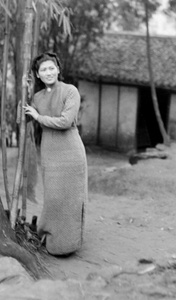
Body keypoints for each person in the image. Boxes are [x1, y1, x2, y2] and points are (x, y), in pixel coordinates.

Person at [24, 52, 88, 256]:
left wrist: (38, 117)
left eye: (52, 68)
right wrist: (24, 90)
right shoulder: (37, 97)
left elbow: (65, 121)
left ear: (58, 70)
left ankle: (69, 244)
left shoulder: (70, 91)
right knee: (53, 198)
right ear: (38, 74)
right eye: (43, 69)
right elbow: (24, 117)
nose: (48, 72)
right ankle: (52, 241)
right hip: (49, 152)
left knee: (71, 198)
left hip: (71, 151)